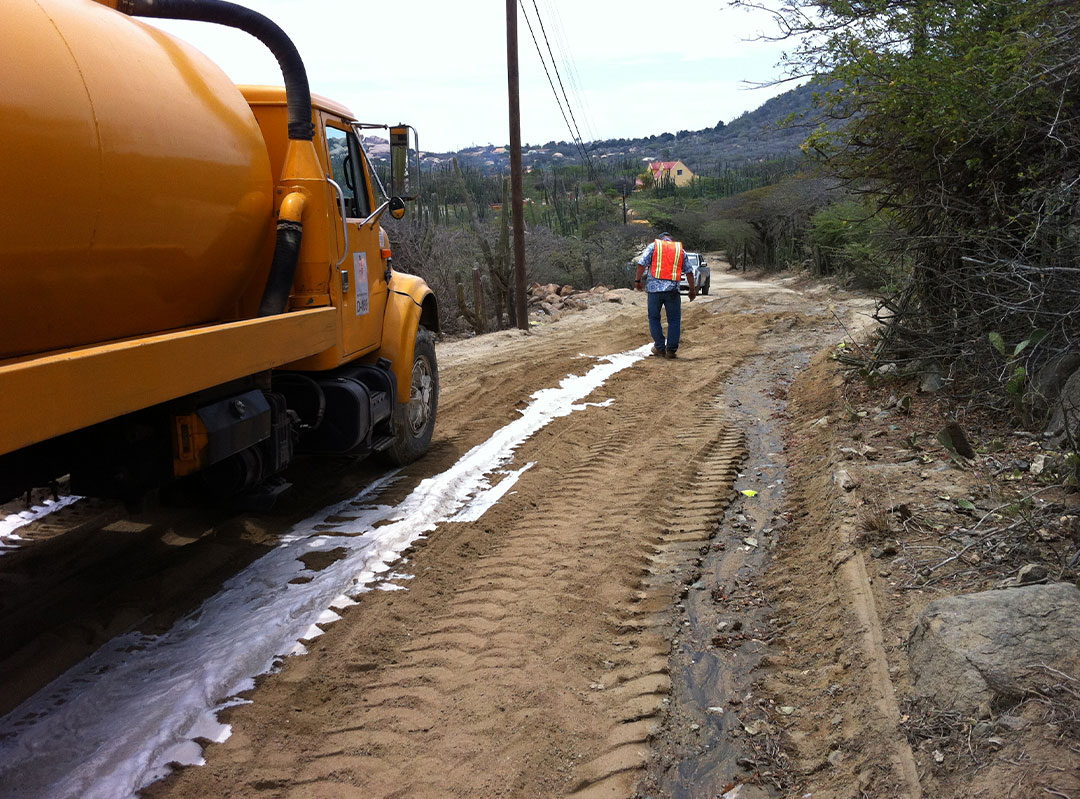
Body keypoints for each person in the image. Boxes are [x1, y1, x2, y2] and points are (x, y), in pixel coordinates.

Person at [633, 233, 695, 359]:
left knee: (654, 319)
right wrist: (692, 290)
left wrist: (637, 281)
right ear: (672, 240)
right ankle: (671, 351)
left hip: (654, 290)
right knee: (674, 320)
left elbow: (641, 264)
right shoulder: (679, 250)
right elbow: (689, 272)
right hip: (672, 290)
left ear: (661, 240)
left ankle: (660, 348)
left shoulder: (654, 247)